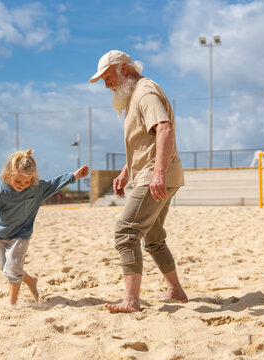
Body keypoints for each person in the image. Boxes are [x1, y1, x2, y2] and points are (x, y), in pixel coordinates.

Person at [89, 50, 188, 312]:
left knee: (126, 233)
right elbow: (145, 141)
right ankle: (176, 291)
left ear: (123, 68)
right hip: (155, 174)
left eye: (108, 77)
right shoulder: (134, 95)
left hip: (155, 176)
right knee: (153, 237)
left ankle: (131, 301)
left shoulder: (145, 92)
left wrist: (158, 173)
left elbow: (164, 129)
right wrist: (125, 172)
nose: (107, 84)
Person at [0, 149, 89, 307]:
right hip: (3, 234)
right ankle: (31, 280)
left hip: (21, 234)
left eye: (26, 182)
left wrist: (74, 176)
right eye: (18, 181)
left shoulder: (36, 189)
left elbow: (54, 184)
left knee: (13, 269)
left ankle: (11, 303)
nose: (22, 185)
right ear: (8, 174)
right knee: (5, 268)